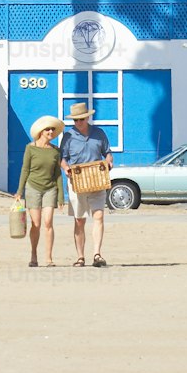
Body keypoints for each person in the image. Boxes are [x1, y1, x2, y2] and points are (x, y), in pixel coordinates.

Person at [59, 102, 113, 268]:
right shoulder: (68, 137)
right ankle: (80, 257)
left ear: (88, 117)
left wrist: (109, 162)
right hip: (77, 182)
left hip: (97, 180)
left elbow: (108, 154)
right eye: (75, 120)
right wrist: (66, 169)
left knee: (99, 216)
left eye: (81, 119)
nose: (79, 122)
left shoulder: (99, 133)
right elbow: (62, 159)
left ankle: (97, 254)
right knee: (79, 220)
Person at [14, 115, 64, 268]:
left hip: (50, 189)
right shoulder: (30, 148)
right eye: (47, 129)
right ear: (41, 132)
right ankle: (34, 255)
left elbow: (57, 174)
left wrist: (61, 195)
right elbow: (25, 169)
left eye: (52, 129)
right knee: (36, 224)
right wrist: (19, 191)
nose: (50, 131)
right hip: (33, 188)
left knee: (48, 222)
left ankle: (48, 258)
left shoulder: (56, 151)